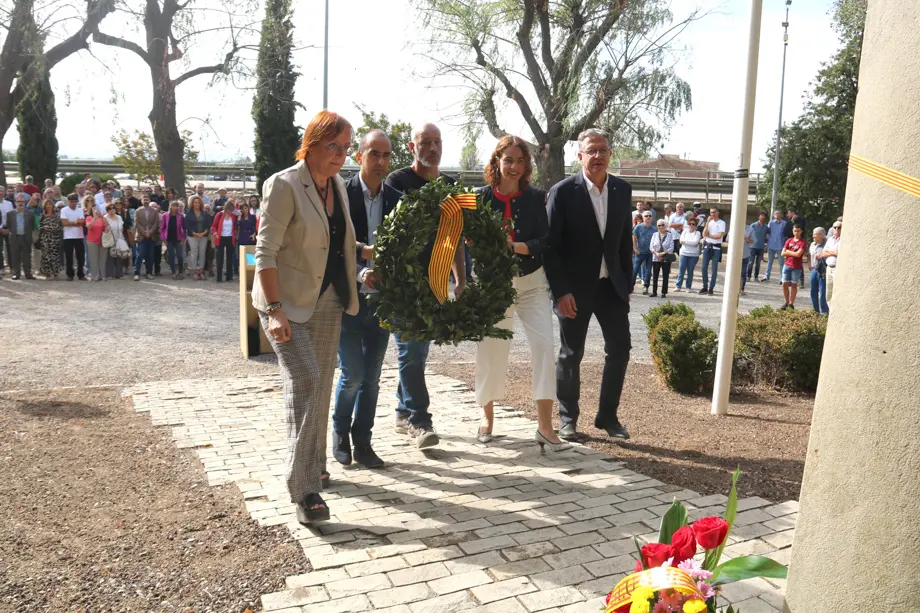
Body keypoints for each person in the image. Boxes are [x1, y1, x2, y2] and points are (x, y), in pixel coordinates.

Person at [252, 110, 359, 524]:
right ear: (311, 143)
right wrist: (275, 310)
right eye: (333, 146)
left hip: (329, 299)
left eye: (346, 148)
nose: (340, 156)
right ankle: (304, 489)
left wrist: (363, 259)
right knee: (307, 379)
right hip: (285, 304)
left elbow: (334, 241)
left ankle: (314, 467)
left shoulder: (337, 185)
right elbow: (265, 251)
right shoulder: (283, 184)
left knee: (321, 384)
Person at [474, 135, 569, 452]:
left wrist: (517, 247)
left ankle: (545, 426)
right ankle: (487, 417)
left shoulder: (536, 198)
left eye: (520, 161)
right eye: (508, 160)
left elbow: (546, 241)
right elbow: (468, 242)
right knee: (491, 351)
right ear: (497, 162)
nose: (515, 167)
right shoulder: (479, 198)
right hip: (494, 286)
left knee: (544, 346)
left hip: (532, 284)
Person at [544, 129, 633, 442]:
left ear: (610, 155)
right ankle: (568, 419)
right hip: (573, 291)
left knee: (621, 349)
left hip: (611, 288)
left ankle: (607, 416)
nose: (598, 156)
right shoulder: (563, 192)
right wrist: (560, 292)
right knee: (571, 353)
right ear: (579, 156)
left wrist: (628, 282)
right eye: (591, 151)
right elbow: (550, 247)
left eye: (603, 150)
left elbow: (624, 240)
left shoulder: (622, 189)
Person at [383, 122, 467, 448]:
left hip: (436, 283)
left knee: (417, 351)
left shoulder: (450, 186)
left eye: (437, 142)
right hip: (403, 285)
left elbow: (457, 236)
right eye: (426, 142)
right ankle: (420, 420)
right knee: (411, 350)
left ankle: (403, 411)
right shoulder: (397, 182)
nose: (432, 148)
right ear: (411, 146)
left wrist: (460, 279)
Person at [332, 129, 401, 469]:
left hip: (383, 304)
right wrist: (361, 271)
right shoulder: (340, 194)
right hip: (347, 300)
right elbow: (333, 246)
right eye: (374, 154)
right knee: (353, 374)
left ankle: (364, 442)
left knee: (372, 378)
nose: (381, 161)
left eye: (386, 155)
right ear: (359, 156)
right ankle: (339, 434)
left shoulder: (398, 199)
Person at [3, 194, 37, 279]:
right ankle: (16, 274)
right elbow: (9, 225)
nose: (20, 203)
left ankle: (28, 274)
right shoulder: (10, 214)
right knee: (15, 256)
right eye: (18, 201)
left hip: (26, 237)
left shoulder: (30, 213)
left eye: (22, 201)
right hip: (15, 237)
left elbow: (32, 225)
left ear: (25, 203)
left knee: (27, 257)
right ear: (15, 202)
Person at [699, 207, 726, 295]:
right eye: (711, 212)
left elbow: (719, 236)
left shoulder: (722, 223)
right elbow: (704, 234)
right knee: (704, 267)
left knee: (714, 269)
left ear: (718, 213)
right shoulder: (709, 222)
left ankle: (711, 287)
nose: (712, 214)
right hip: (707, 246)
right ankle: (705, 286)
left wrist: (709, 236)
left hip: (716, 248)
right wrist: (707, 222)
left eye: (714, 212)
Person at [780, 223, 807, 310]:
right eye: (795, 231)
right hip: (787, 264)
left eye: (798, 231)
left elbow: (798, 254)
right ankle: (786, 302)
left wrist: (788, 252)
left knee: (794, 285)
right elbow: (782, 253)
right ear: (792, 231)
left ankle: (791, 303)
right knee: (784, 284)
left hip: (796, 266)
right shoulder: (789, 240)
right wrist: (792, 253)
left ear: (801, 231)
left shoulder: (803, 242)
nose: (796, 233)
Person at [60, 194, 86, 281]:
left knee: (80, 257)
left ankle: (80, 274)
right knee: (69, 256)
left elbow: (82, 222)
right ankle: (70, 274)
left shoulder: (80, 210)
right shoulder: (64, 210)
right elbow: (64, 223)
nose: (73, 203)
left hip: (79, 236)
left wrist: (71, 223)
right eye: (71, 201)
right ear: (68, 201)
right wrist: (76, 222)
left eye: (75, 201)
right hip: (68, 237)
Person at [185, 195, 211, 281]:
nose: (197, 204)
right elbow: (187, 226)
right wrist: (195, 233)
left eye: (198, 202)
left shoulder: (204, 213)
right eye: (195, 202)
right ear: (192, 203)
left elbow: (208, 224)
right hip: (192, 236)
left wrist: (203, 233)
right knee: (194, 253)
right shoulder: (189, 213)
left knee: (202, 253)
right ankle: (195, 272)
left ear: (201, 203)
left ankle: (201, 271)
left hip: (203, 236)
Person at [133, 195, 159, 281]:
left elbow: (156, 223)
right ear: (141, 200)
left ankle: (149, 273)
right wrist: (144, 232)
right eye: (144, 199)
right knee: (140, 255)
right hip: (141, 236)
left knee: (150, 256)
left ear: (150, 200)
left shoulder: (154, 211)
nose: (146, 201)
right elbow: (136, 223)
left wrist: (150, 232)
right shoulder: (138, 211)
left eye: (147, 199)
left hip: (152, 236)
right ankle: (137, 273)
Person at [211, 200, 237, 282]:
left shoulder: (234, 215)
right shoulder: (219, 215)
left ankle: (229, 276)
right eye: (228, 209)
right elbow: (214, 226)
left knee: (230, 258)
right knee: (219, 258)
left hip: (230, 238)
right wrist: (215, 234)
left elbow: (239, 213)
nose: (230, 211)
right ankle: (219, 277)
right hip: (220, 238)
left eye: (231, 209)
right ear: (225, 209)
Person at [160, 201, 186, 280]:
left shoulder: (181, 216)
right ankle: (173, 272)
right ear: (170, 206)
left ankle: (180, 272)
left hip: (178, 239)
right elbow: (162, 228)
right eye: (174, 206)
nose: (175, 208)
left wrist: (183, 238)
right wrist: (163, 238)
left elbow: (184, 228)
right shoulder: (165, 215)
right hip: (169, 239)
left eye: (177, 206)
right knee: (171, 256)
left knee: (180, 256)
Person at [649, 218, 674, 298]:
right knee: (655, 276)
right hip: (656, 258)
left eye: (662, 225)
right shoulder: (654, 235)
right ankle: (654, 292)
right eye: (659, 225)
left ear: (665, 226)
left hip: (665, 257)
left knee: (665, 276)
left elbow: (671, 248)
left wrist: (662, 254)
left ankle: (663, 292)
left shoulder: (669, 235)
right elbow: (651, 247)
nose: (661, 227)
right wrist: (657, 254)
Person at [675, 217, 702, 291]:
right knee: (681, 270)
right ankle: (678, 286)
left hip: (693, 255)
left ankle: (688, 287)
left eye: (693, 224)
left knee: (690, 271)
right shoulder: (685, 231)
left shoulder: (698, 233)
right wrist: (688, 241)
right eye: (690, 224)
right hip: (684, 253)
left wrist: (685, 241)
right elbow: (681, 241)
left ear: (695, 225)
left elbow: (695, 242)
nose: (691, 225)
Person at [39, 199, 62, 279]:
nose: (48, 206)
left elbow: (59, 226)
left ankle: (55, 273)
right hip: (45, 238)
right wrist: (43, 227)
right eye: (47, 204)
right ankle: (47, 274)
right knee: (46, 256)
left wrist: (52, 228)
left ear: (52, 206)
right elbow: (38, 226)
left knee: (55, 255)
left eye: (50, 204)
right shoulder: (42, 215)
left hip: (54, 238)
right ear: (44, 206)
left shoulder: (56, 216)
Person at [631, 211, 654, 294]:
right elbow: (634, 237)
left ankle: (646, 287)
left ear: (652, 218)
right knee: (635, 269)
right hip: (639, 252)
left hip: (649, 253)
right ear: (643, 218)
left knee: (648, 271)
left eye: (649, 216)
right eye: (646, 216)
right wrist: (635, 248)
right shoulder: (638, 227)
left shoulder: (654, 229)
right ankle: (631, 286)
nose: (648, 217)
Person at [808, 227, 829, 315]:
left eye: (815, 234)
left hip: (823, 270)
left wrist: (822, 256)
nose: (813, 235)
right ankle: (815, 310)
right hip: (814, 269)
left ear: (821, 235)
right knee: (813, 290)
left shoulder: (827, 245)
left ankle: (824, 311)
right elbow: (809, 254)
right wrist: (809, 264)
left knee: (822, 291)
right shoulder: (812, 244)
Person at [85, 207, 109, 281]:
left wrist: (101, 217)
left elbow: (107, 225)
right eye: (95, 210)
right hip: (92, 241)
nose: (96, 211)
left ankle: (102, 275)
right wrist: (94, 218)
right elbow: (88, 227)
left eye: (97, 210)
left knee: (102, 259)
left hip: (102, 241)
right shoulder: (89, 218)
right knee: (93, 259)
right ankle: (95, 276)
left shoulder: (103, 218)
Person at [103, 203, 126, 279]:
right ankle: (109, 274)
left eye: (113, 208)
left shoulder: (119, 217)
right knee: (109, 257)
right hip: (110, 239)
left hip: (119, 238)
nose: (112, 210)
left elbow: (122, 228)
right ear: (107, 210)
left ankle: (119, 274)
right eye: (110, 209)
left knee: (119, 256)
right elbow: (105, 229)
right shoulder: (105, 218)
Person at [763, 210, 787, 281]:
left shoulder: (784, 223)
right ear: (773, 215)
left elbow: (785, 234)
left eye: (778, 213)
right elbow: (767, 232)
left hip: (780, 245)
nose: (777, 215)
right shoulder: (771, 223)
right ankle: (767, 276)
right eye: (775, 214)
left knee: (781, 263)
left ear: (781, 215)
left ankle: (782, 278)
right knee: (769, 262)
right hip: (771, 245)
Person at [822, 220, 841, 304]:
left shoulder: (843, 240)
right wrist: (833, 252)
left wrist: (829, 252)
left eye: (839, 227)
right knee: (829, 292)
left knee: (838, 290)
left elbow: (839, 253)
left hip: (837, 268)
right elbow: (823, 253)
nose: (837, 229)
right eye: (835, 227)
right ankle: (830, 312)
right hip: (829, 268)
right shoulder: (830, 239)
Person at [748, 212, 768, 281]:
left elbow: (767, 235)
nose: (762, 217)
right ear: (758, 217)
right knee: (750, 262)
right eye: (761, 216)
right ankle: (748, 276)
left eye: (764, 216)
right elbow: (748, 234)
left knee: (758, 264)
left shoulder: (766, 227)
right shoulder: (753, 225)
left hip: (761, 248)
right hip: (752, 247)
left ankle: (756, 277)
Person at [739, 220, 755, 296]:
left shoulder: (750, 229)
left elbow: (753, 241)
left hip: (745, 254)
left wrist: (746, 238)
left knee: (743, 273)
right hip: (735, 255)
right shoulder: (734, 226)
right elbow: (727, 239)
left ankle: (742, 289)